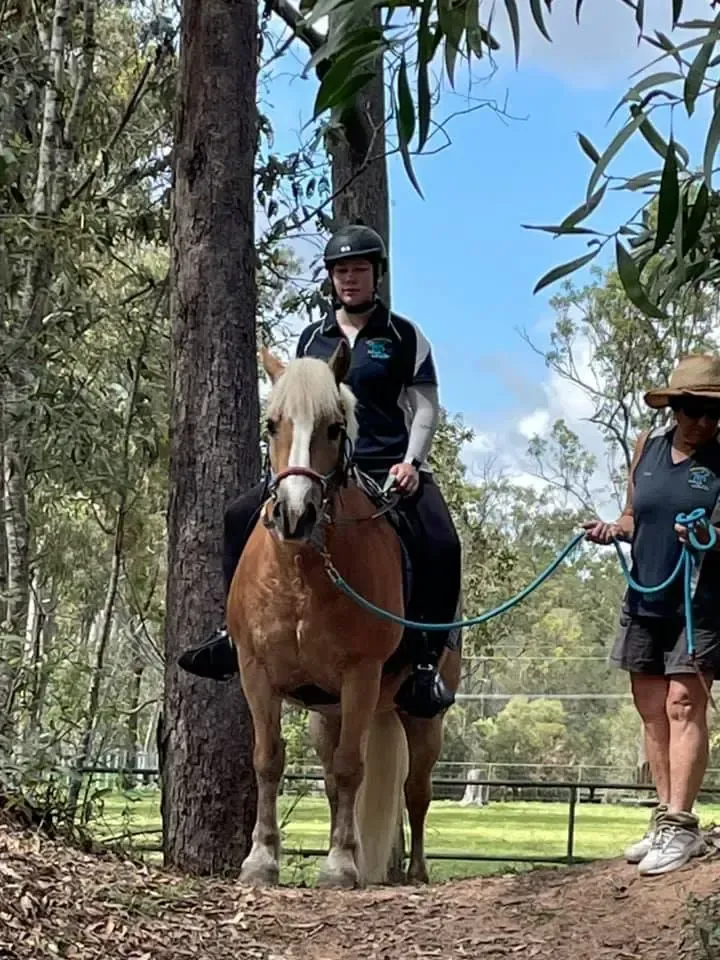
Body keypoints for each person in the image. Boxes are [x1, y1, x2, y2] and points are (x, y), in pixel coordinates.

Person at [178, 224, 462, 719]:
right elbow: (297, 410)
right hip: (318, 466)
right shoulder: (313, 338)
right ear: (331, 279)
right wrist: (294, 467)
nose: (350, 279)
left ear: (377, 275)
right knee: (236, 515)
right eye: (341, 271)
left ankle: (422, 660)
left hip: (386, 464)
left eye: (359, 270)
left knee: (441, 541)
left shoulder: (404, 337)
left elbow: (424, 408)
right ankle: (231, 634)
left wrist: (411, 462)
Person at [584, 354, 720, 876]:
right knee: (651, 710)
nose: (704, 423)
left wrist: (708, 536)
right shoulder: (648, 448)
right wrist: (612, 529)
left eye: (713, 414)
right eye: (693, 411)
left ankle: (683, 825)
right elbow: (633, 514)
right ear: (674, 408)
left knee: (685, 704)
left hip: (701, 601)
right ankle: (663, 818)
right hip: (646, 595)